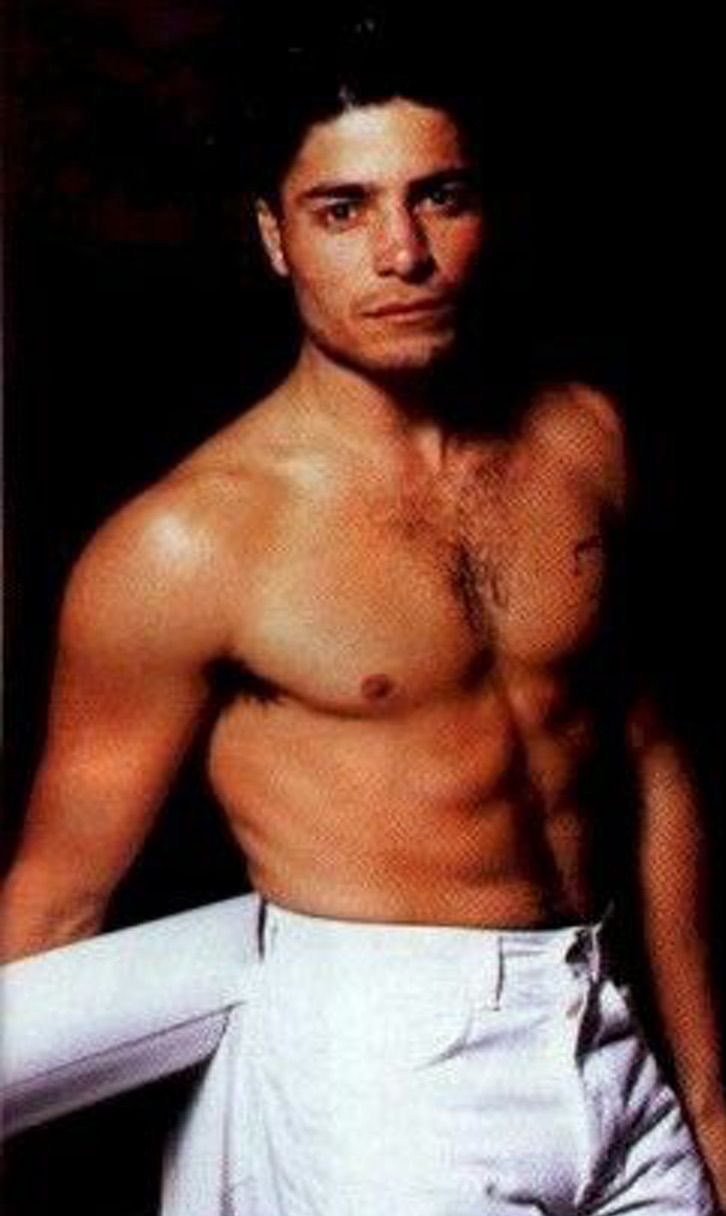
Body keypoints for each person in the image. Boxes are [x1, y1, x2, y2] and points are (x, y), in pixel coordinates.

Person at [2, 18, 723, 1214]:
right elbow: (58, 894)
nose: (403, 252)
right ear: (274, 238)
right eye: (342, 210)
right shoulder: (190, 541)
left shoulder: (584, 442)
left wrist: (707, 1094)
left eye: (439, 197)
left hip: (609, 1038)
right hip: (383, 1074)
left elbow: (651, 763)